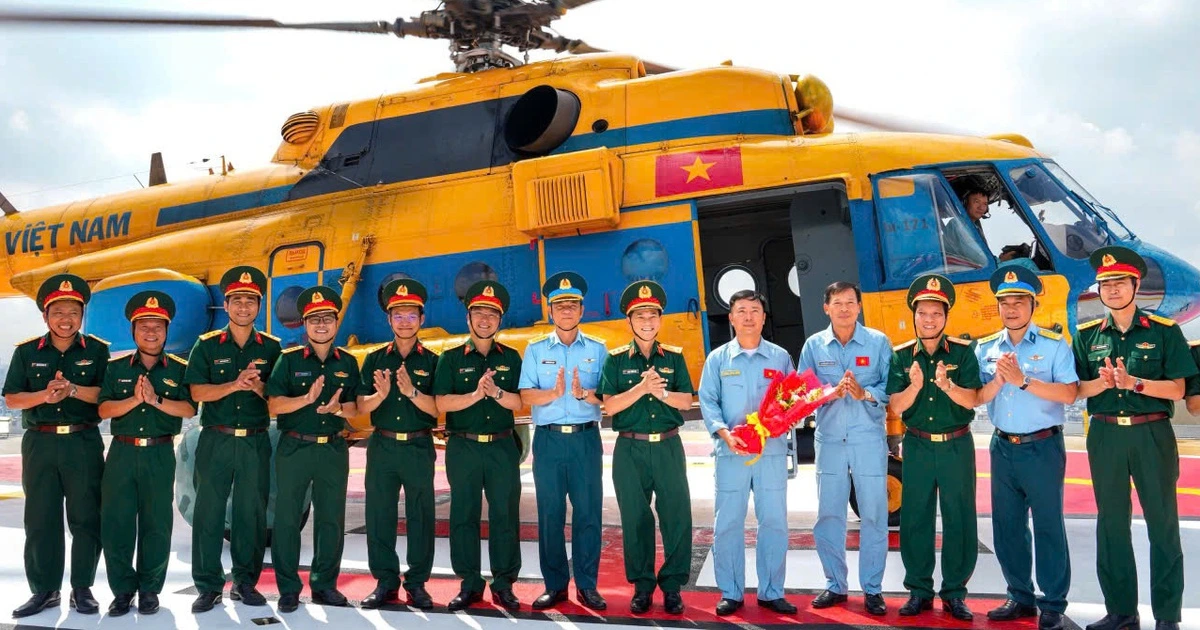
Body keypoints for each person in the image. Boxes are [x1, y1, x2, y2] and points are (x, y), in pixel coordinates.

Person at [1071, 246, 1195, 630]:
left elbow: (1178, 389)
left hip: (1151, 434)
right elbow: (1077, 389)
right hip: (1105, 434)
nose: (1112, 289)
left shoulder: (1164, 331)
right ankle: (1121, 612)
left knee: (1162, 525)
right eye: (1105, 284)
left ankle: (1167, 617)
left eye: (1119, 282)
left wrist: (1134, 383)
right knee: (1111, 525)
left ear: (1136, 286)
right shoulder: (1087, 336)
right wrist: (1101, 384)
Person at [974, 264, 1078, 630]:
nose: (1012, 309)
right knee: (1008, 526)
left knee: (1048, 525)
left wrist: (1023, 380)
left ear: (1034, 305)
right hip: (1003, 446)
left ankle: (1052, 602)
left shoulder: (1054, 346)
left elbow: (1069, 393)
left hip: (1042, 446)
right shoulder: (985, 348)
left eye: (1019, 301)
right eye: (1005, 302)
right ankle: (1019, 595)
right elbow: (977, 394)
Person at [4, 274, 109, 618]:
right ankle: (45, 590)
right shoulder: (26, 352)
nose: (66, 319)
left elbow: (105, 396)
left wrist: (73, 390)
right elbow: (12, 398)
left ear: (82, 315)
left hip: (82, 441)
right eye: (59, 312)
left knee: (86, 517)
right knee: (41, 518)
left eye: (73, 312)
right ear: (45, 316)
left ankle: (82, 588)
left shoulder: (97, 350)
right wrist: (45, 396)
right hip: (41, 443)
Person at [185, 266, 281, 613]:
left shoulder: (272, 348)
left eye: (250, 301)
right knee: (208, 513)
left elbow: (277, 397)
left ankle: (244, 583)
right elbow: (197, 392)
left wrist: (257, 386)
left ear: (259, 306)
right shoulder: (207, 345)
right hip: (217, 439)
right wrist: (233, 385)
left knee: (250, 514)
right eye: (237, 300)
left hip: (255, 440)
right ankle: (208, 586)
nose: (243, 307)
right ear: (225, 305)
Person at [886, 274, 981, 621]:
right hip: (919, 446)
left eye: (936, 314)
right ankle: (919, 591)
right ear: (914, 315)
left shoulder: (963, 353)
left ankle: (955, 592)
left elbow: (972, 401)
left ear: (946, 317)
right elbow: (896, 406)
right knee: (915, 518)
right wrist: (915, 386)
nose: (929, 320)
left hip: (956, 444)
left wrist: (947, 386)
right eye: (923, 313)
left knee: (960, 518)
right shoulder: (900, 356)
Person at [597, 280, 694, 615]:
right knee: (635, 518)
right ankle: (642, 587)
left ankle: (672, 587)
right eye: (640, 316)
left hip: (668, 446)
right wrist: (642, 388)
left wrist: (662, 393)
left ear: (660, 319)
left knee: (677, 516)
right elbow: (610, 406)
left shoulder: (675, 358)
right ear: (629, 321)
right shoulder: (615, 360)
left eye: (653, 315)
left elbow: (686, 401)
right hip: (630, 449)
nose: (647, 322)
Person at [97, 291, 196, 616]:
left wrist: (155, 400)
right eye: (144, 326)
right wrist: (135, 400)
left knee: (157, 523)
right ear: (133, 331)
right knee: (117, 523)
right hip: (122, 454)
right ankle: (123, 591)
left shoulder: (180, 369)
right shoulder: (115, 368)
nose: (151, 332)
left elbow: (189, 409)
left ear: (166, 331)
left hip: (159, 452)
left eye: (157, 327)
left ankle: (150, 590)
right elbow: (103, 409)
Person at [699, 290, 797, 617]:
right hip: (732, 453)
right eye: (741, 310)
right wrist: (723, 433)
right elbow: (708, 400)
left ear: (764, 317)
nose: (748, 317)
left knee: (774, 522)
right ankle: (731, 592)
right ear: (731, 317)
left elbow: (792, 399)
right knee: (728, 523)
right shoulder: (718, 359)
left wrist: (784, 419)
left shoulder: (780, 358)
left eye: (755, 310)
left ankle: (772, 592)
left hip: (770, 453)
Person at [796, 281, 892, 616]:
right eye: (837, 303)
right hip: (830, 441)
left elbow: (891, 386)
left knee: (874, 514)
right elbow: (800, 394)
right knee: (829, 514)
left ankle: (873, 589)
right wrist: (828, 394)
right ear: (826, 308)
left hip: (868, 440)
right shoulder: (814, 346)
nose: (844, 309)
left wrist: (865, 394)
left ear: (859, 306)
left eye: (850, 302)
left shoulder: (878, 342)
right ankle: (835, 584)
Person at [266, 287, 361, 612]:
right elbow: (274, 405)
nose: (322, 325)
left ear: (336, 323)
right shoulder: (288, 361)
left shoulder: (348, 362)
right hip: (295, 447)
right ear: (305, 324)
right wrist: (305, 400)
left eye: (327, 319)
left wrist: (338, 409)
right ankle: (288, 588)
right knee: (288, 519)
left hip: (332, 449)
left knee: (331, 519)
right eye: (315, 319)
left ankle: (324, 585)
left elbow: (354, 409)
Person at [518, 272, 608, 611]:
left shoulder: (598, 349)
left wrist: (586, 394)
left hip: (586, 440)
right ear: (550, 311)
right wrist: (553, 394)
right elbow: (526, 395)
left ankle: (587, 585)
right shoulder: (535, 350)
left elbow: (608, 396)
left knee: (588, 514)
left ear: (582, 310)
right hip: (549, 441)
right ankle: (555, 586)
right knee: (550, 515)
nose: (566, 310)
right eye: (560, 305)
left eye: (572, 305)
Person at [433, 280, 524, 612]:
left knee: (505, 515)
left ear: (499, 320)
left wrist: (496, 393)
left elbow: (519, 403)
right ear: (468, 317)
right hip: (464, 448)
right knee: (463, 515)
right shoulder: (451, 358)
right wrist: (475, 395)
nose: (485, 320)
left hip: (501, 446)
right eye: (479, 313)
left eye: (492, 314)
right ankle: (470, 583)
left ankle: (504, 584)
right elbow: (442, 402)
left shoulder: (511, 358)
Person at [356, 279, 439, 611]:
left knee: (421, 516)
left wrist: (412, 393)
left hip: (418, 446)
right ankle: (385, 582)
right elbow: (360, 406)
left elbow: (438, 409)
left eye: (411, 315)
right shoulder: (374, 360)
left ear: (422, 319)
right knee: (379, 515)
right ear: (389, 319)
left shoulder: (433, 361)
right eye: (398, 315)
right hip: (383, 446)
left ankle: (417, 583)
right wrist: (380, 396)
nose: (405, 321)